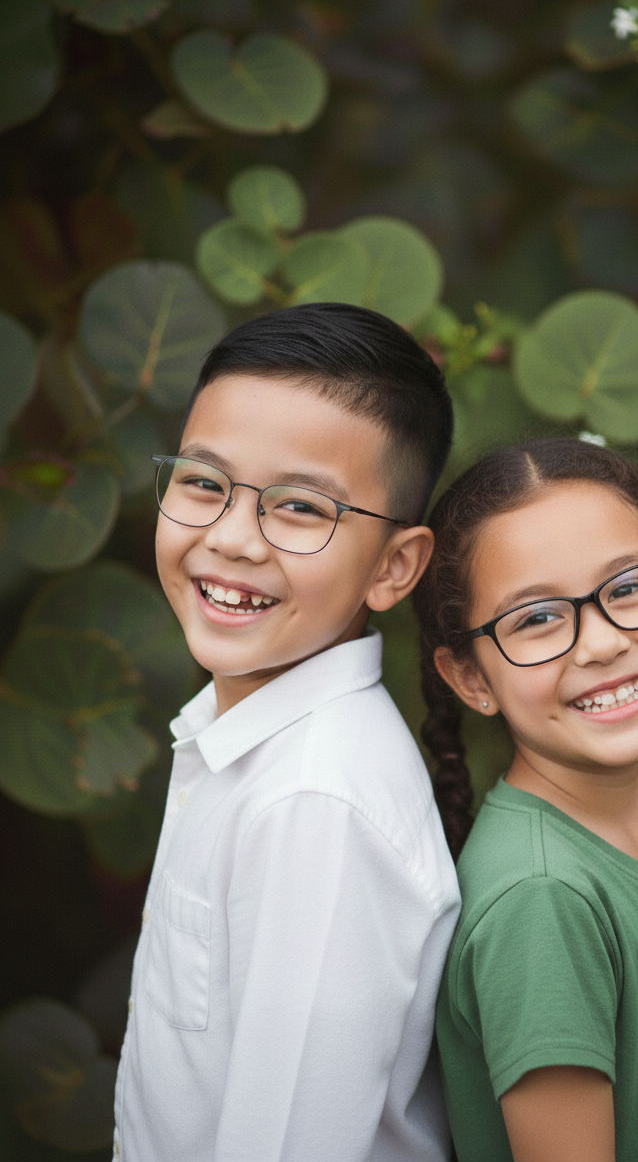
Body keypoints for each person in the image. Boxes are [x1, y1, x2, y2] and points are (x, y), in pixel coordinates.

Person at [113, 303, 461, 1162]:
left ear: (394, 567)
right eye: (202, 482)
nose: (230, 538)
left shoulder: (318, 802)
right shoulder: (241, 739)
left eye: (300, 508)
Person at [412, 437, 638, 1162]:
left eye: (630, 587)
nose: (599, 644)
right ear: (470, 678)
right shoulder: (543, 900)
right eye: (536, 618)